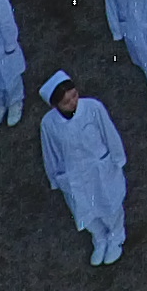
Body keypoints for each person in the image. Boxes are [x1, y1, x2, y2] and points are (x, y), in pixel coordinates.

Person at [35, 71, 129, 266]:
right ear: (55, 105)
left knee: (109, 203)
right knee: (85, 209)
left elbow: (109, 133)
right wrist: (56, 177)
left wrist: (118, 159)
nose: (73, 103)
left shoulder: (93, 107)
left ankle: (116, 236)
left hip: (99, 169)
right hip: (74, 175)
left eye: (74, 96)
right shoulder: (49, 124)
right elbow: (50, 152)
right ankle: (99, 238)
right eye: (66, 102)